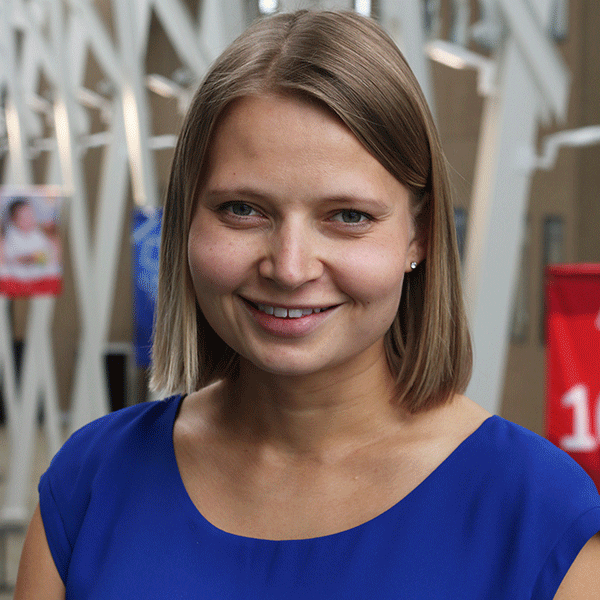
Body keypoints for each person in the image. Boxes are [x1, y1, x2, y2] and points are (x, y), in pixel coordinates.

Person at [14, 10, 600, 599]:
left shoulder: (540, 517)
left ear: (419, 236)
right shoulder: (90, 487)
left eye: (348, 217)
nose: (291, 268)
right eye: (243, 209)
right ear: (185, 222)